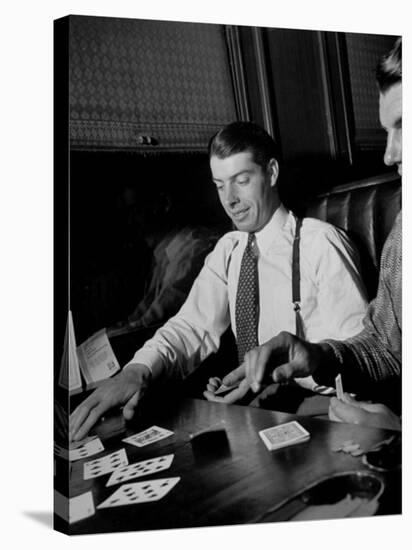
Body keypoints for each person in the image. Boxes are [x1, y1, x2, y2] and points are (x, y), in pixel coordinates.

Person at [69, 121, 368, 442]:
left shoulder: (320, 243)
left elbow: (359, 359)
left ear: (272, 172)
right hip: (255, 415)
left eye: (242, 181)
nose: (230, 199)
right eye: (220, 184)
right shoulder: (230, 248)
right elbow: (190, 326)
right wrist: (137, 370)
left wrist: (290, 373)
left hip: (323, 416)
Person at [211, 38, 402, 432]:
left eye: (404, 126)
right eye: (386, 131)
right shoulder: (403, 235)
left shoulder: (320, 242)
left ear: (272, 174)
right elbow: (385, 350)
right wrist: (317, 357)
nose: (389, 154)